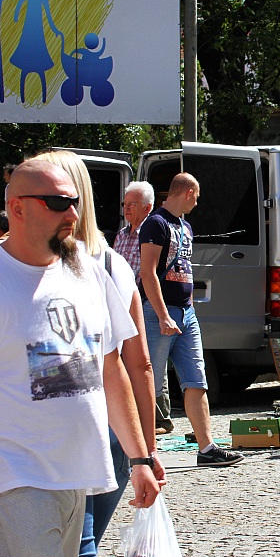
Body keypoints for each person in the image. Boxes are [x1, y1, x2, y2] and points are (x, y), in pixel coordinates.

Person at [0, 160, 160, 557]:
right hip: (15, 481)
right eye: (56, 203)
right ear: (17, 208)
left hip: (77, 477)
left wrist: (140, 458)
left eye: (74, 202)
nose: (71, 214)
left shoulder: (88, 272)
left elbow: (111, 370)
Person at [33, 151, 166, 557]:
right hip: (114, 431)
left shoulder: (33, 262)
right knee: (81, 547)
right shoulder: (114, 265)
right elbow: (140, 365)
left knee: (79, 552)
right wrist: (145, 449)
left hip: (59, 425)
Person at [140, 173, 244, 467]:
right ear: (186, 192)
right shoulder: (155, 223)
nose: (197, 203)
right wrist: (162, 314)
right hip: (159, 312)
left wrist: (187, 311)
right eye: (196, 196)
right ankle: (144, 452)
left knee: (197, 380)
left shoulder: (185, 225)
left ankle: (207, 448)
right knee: (148, 383)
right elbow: (147, 273)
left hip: (186, 312)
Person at [114, 181, 174, 435]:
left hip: (143, 300)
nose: (127, 208)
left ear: (148, 207)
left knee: (150, 361)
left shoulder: (152, 232)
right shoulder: (121, 234)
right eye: (125, 204)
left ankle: (159, 418)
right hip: (120, 301)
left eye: (133, 204)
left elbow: (147, 272)